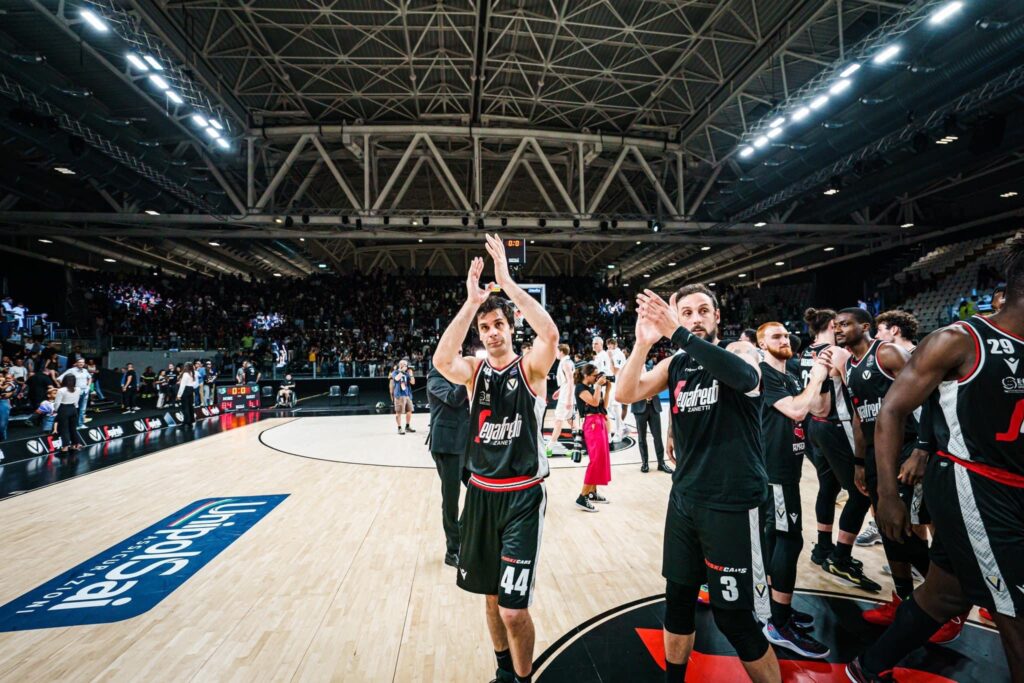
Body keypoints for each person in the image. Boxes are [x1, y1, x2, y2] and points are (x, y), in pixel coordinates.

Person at [847, 237, 1024, 681]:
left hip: (1012, 487)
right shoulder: (960, 340)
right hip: (974, 485)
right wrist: (889, 494)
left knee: (944, 595)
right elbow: (891, 410)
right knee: (1017, 615)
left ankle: (866, 667)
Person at [617, 284, 779, 683]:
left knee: (735, 620)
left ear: (717, 317)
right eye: (685, 312)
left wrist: (677, 332)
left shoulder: (742, 351)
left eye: (703, 310)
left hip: (734, 503)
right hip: (686, 499)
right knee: (677, 602)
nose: (694, 318)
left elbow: (743, 378)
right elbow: (625, 392)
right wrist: (641, 344)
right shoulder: (677, 363)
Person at [432, 233, 559, 683]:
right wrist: (471, 304)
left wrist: (505, 280)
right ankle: (504, 671)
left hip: (523, 498)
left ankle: (524, 679)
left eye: (498, 325)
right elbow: (441, 359)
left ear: (510, 328)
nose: (492, 332)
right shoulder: (474, 372)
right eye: (485, 328)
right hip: (482, 497)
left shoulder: (531, 367)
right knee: (489, 598)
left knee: (512, 608)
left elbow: (551, 333)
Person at [828, 308, 963, 639]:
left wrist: (922, 448)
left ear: (865, 326)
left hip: (906, 449)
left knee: (906, 528)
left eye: (845, 324)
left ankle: (947, 610)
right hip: (878, 457)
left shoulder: (886, 352)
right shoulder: (849, 367)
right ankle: (902, 600)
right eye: (835, 326)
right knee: (889, 531)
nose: (839, 330)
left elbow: (933, 394)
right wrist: (860, 464)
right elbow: (861, 419)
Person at [757, 321, 832, 658]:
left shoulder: (788, 376)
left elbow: (819, 410)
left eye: (786, 335)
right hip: (773, 469)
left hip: (788, 468)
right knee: (789, 538)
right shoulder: (764, 373)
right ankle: (779, 621)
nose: (784, 339)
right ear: (761, 345)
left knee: (777, 537)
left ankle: (774, 609)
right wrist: (815, 378)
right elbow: (797, 409)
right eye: (775, 336)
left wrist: (823, 378)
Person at [800, 308, 879, 591]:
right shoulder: (834, 353)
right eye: (841, 325)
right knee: (861, 493)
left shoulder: (806, 352)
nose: (843, 329)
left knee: (829, 488)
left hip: (815, 429)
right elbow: (846, 392)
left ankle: (823, 548)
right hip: (836, 426)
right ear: (833, 326)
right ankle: (841, 557)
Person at [426, 358, 470, 567]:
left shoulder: (460, 376)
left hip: (468, 444)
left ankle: (465, 534)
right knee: (451, 500)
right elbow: (453, 399)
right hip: (447, 445)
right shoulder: (436, 376)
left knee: (482, 490)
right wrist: (469, 380)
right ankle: (453, 550)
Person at [574, 363, 611, 512]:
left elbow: (603, 406)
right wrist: (597, 386)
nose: (597, 377)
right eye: (595, 375)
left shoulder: (593, 388)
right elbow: (594, 402)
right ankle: (582, 497)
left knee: (601, 458)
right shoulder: (580, 388)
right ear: (586, 375)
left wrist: (608, 389)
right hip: (591, 424)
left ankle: (592, 492)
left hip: (600, 421)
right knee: (595, 460)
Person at [631, 382, 672, 474]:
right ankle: (645, 463)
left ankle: (661, 463)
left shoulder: (653, 368)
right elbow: (631, 388)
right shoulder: (635, 371)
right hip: (639, 408)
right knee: (642, 438)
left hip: (654, 407)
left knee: (658, 437)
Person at [545, 344, 575, 457]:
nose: (555, 353)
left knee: (559, 421)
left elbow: (571, 381)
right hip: (565, 393)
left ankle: (549, 447)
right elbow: (567, 382)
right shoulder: (565, 362)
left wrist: (568, 399)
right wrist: (559, 390)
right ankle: (579, 444)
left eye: (557, 351)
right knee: (570, 421)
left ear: (561, 351)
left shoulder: (566, 363)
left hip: (566, 397)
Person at [53, 374, 85, 455]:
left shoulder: (61, 390)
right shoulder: (78, 389)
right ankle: (75, 445)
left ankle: (65, 448)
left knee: (64, 429)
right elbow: (76, 402)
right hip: (73, 409)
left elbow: (57, 403)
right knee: (73, 428)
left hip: (64, 409)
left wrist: (56, 410)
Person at [58, 357, 92, 427]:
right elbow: (59, 378)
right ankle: (73, 425)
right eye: (80, 362)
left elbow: (90, 377)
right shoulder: (71, 370)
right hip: (75, 392)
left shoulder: (85, 370)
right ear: (76, 363)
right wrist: (68, 388)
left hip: (85, 391)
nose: (81, 364)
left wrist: (88, 386)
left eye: (82, 362)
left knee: (82, 409)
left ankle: (80, 424)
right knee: (74, 409)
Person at [390, 358, 417, 435]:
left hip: (407, 395)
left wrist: (411, 374)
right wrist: (401, 371)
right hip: (399, 395)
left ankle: (407, 426)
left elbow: (413, 382)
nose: (406, 366)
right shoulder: (395, 372)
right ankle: (399, 427)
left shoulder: (406, 374)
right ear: (401, 365)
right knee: (398, 412)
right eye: (405, 365)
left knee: (409, 410)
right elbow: (396, 378)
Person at [0, 370, 15, 440]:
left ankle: (2, 439)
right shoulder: (4, 383)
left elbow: (6, 395)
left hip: (3, 402)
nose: (7, 379)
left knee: (2, 424)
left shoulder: (12, 384)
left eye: (9, 378)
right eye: (6, 378)